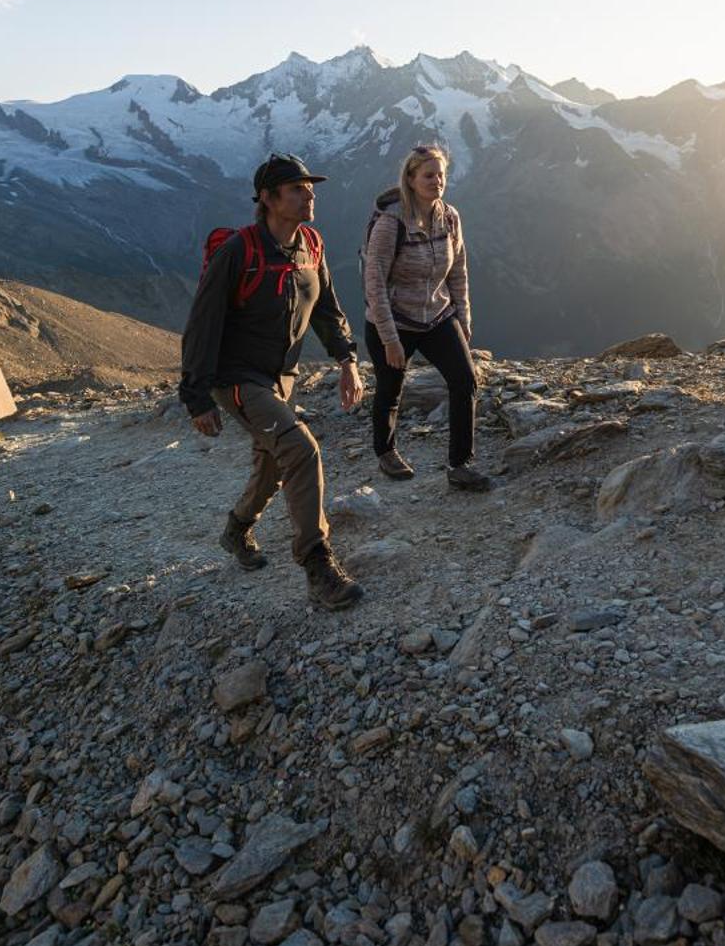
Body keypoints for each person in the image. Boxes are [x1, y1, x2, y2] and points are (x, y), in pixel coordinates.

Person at [180, 153, 367, 610]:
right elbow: (203, 323)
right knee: (300, 449)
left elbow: (327, 309)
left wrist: (347, 360)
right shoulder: (238, 252)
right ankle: (317, 565)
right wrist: (197, 396)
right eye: (298, 188)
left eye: (310, 187)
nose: (310, 194)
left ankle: (236, 529)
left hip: (281, 377)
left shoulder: (311, 245)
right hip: (237, 379)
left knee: (272, 462)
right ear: (267, 198)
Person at [362, 144, 493, 491]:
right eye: (429, 175)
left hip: (437, 314)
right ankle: (386, 451)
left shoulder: (449, 217)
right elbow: (374, 282)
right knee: (391, 389)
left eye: (441, 175)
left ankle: (460, 464)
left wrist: (463, 318)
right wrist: (390, 339)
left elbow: (459, 270)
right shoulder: (392, 223)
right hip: (394, 318)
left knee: (464, 381)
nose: (437, 181)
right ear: (411, 178)